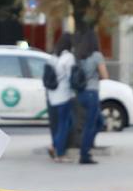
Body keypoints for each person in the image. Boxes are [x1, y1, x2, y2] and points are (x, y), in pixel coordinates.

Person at [74, 29, 108, 165]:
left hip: (81, 93)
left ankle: (86, 147)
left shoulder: (79, 56)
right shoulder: (96, 56)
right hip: (92, 93)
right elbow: (105, 75)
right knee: (91, 124)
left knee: (99, 122)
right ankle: (84, 154)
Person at [46, 34, 76, 162]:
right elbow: (71, 77)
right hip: (64, 96)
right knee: (65, 125)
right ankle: (59, 153)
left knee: (61, 124)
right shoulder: (68, 57)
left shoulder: (53, 57)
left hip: (52, 96)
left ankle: (56, 147)